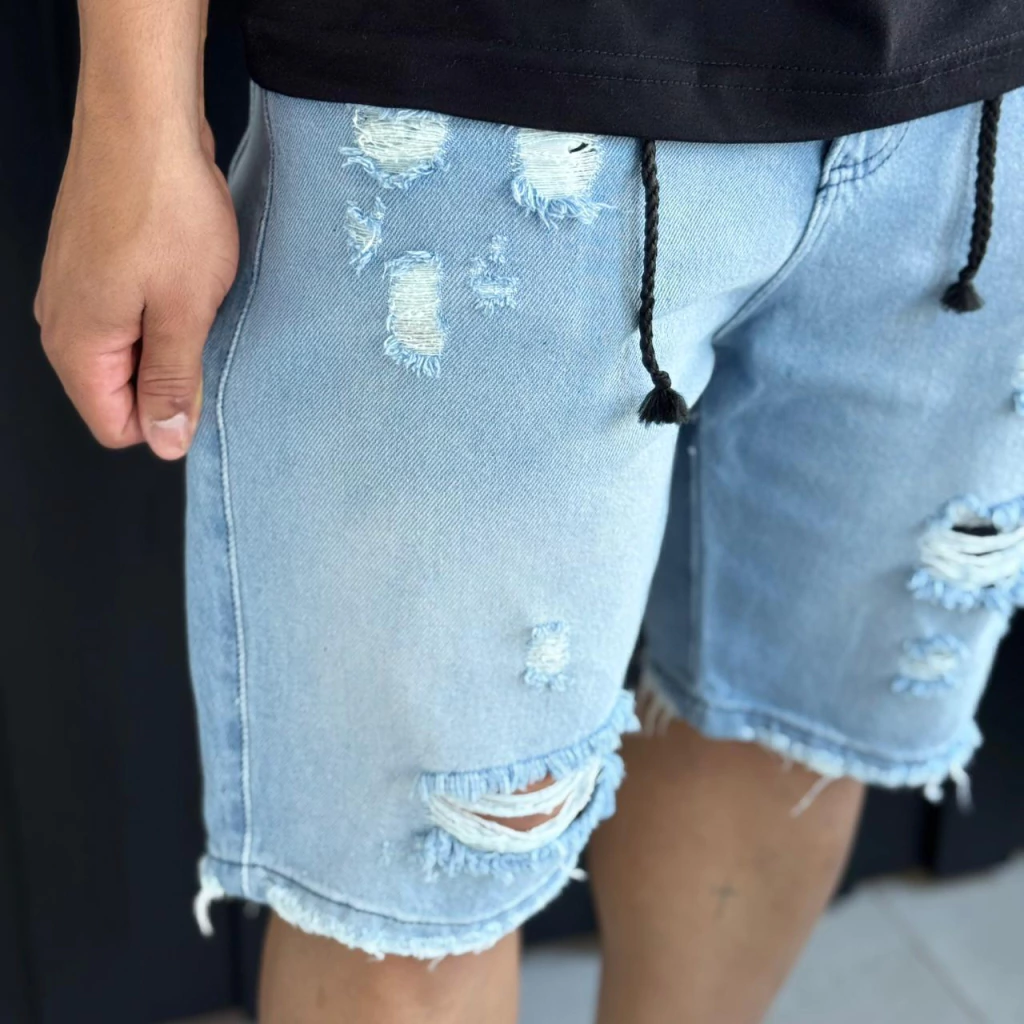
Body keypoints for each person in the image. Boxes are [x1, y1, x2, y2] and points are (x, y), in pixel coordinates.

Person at [34, 0, 1023, 1019]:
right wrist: (136, 114)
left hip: (970, 98)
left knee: (777, 721)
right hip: (474, 106)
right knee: (420, 877)